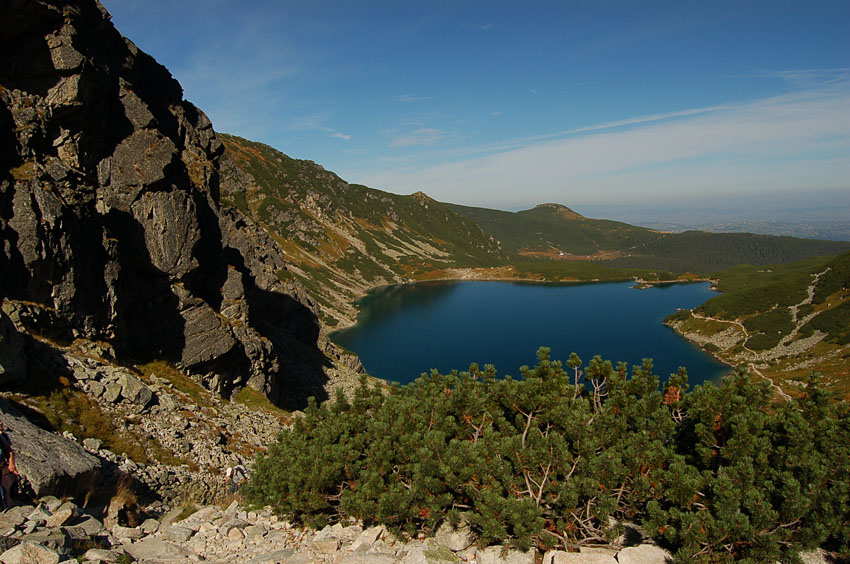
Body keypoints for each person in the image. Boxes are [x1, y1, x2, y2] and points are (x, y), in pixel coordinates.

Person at [0, 420, 19, 510]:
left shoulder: (2, 437)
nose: (1, 429)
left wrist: (12, 465)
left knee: (11, 482)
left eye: (1, 426)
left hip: (2, 465)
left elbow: (8, 451)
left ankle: (10, 507)